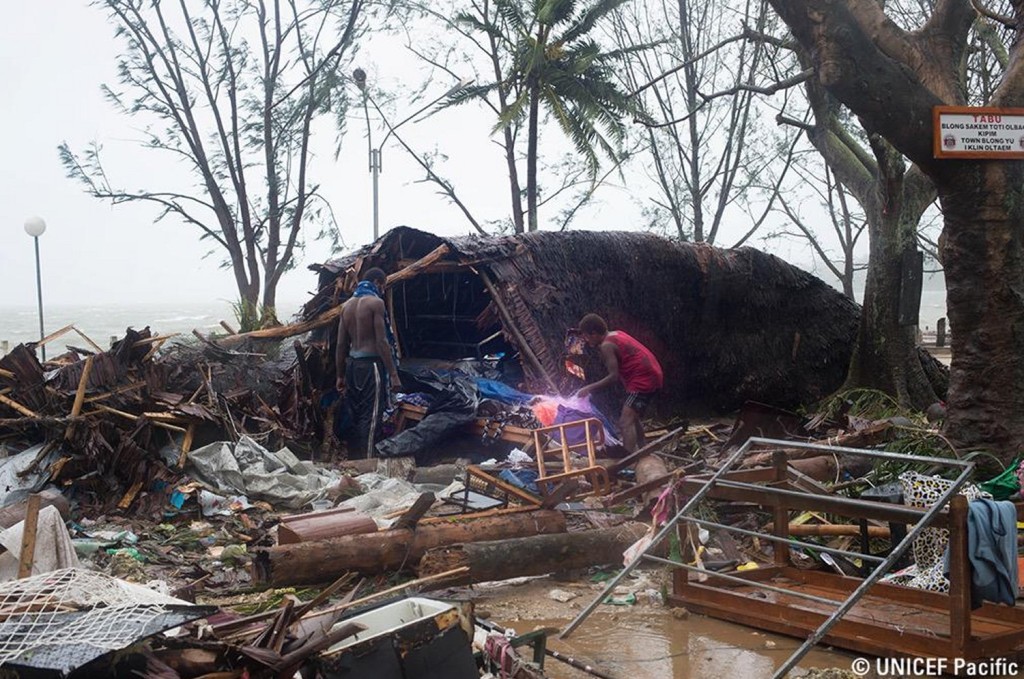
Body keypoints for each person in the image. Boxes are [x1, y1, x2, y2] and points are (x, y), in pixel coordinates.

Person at [336, 268, 401, 456]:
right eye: (383, 285)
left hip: (352, 366)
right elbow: (382, 342)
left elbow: (340, 345)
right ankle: (366, 461)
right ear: (378, 283)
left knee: (355, 414)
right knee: (371, 415)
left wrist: (340, 375)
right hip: (371, 365)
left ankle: (353, 458)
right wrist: (394, 374)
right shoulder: (376, 304)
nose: (383, 289)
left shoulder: (346, 306)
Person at [575, 313, 663, 453]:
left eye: (586, 336)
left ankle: (626, 458)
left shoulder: (606, 346)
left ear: (594, 334)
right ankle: (643, 449)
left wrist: (589, 388)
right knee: (633, 417)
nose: (586, 340)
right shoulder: (616, 334)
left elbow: (613, 377)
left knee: (624, 422)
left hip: (643, 380)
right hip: (651, 374)